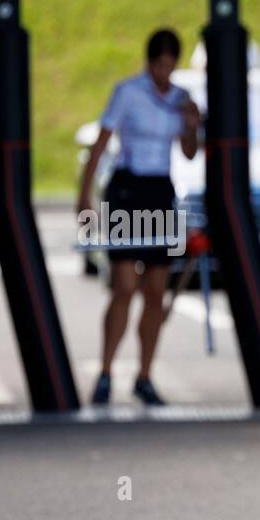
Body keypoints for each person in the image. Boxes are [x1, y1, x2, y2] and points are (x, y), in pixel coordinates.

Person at [78, 28, 200, 406]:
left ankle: (144, 375)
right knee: (125, 287)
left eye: (170, 65)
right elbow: (100, 144)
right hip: (127, 190)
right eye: (159, 64)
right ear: (149, 62)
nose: (164, 72)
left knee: (154, 292)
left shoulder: (181, 99)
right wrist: (85, 196)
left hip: (159, 190)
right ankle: (105, 371)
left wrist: (192, 124)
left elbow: (190, 152)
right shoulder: (128, 91)